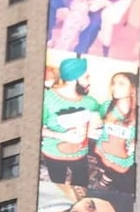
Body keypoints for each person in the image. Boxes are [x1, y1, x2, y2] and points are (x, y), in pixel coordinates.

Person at [40, 57, 101, 186]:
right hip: (53, 154)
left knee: (81, 184)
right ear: (74, 79)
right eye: (86, 77)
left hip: (80, 153)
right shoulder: (47, 99)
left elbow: (101, 116)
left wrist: (96, 123)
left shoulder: (90, 102)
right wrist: (61, 136)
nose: (89, 81)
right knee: (58, 185)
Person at [88, 72, 138, 187]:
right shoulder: (107, 106)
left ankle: (104, 181)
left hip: (122, 156)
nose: (114, 87)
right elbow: (101, 120)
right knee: (103, 165)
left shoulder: (138, 114)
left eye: (121, 84)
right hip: (104, 149)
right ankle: (101, 173)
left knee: (112, 175)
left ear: (132, 90)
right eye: (114, 83)